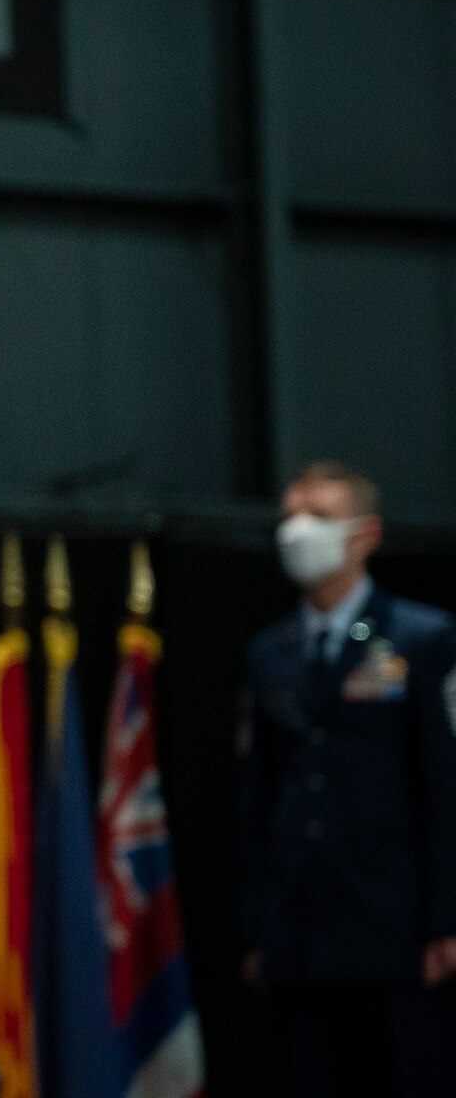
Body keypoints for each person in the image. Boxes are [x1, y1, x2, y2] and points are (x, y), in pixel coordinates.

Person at [238, 460, 456, 1098]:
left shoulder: (422, 639)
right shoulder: (268, 652)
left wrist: (446, 921)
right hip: (300, 936)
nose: (298, 531)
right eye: (290, 517)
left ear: (366, 534)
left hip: (395, 932)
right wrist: (256, 927)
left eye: (321, 518)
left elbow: (445, 786)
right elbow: (259, 796)